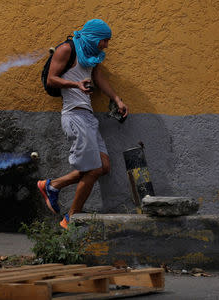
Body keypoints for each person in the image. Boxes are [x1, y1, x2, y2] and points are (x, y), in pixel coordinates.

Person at [37, 19, 128, 229]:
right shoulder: (66, 49)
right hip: (74, 116)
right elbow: (52, 79)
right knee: (94, 169)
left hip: (88, 117)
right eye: (104, 41)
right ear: (94, 37)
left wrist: (117, 99)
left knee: (103, 166)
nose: (106, 45)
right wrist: (75, 84)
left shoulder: (91, 56)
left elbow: (98, 77)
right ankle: (71, 218)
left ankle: (52, 186)